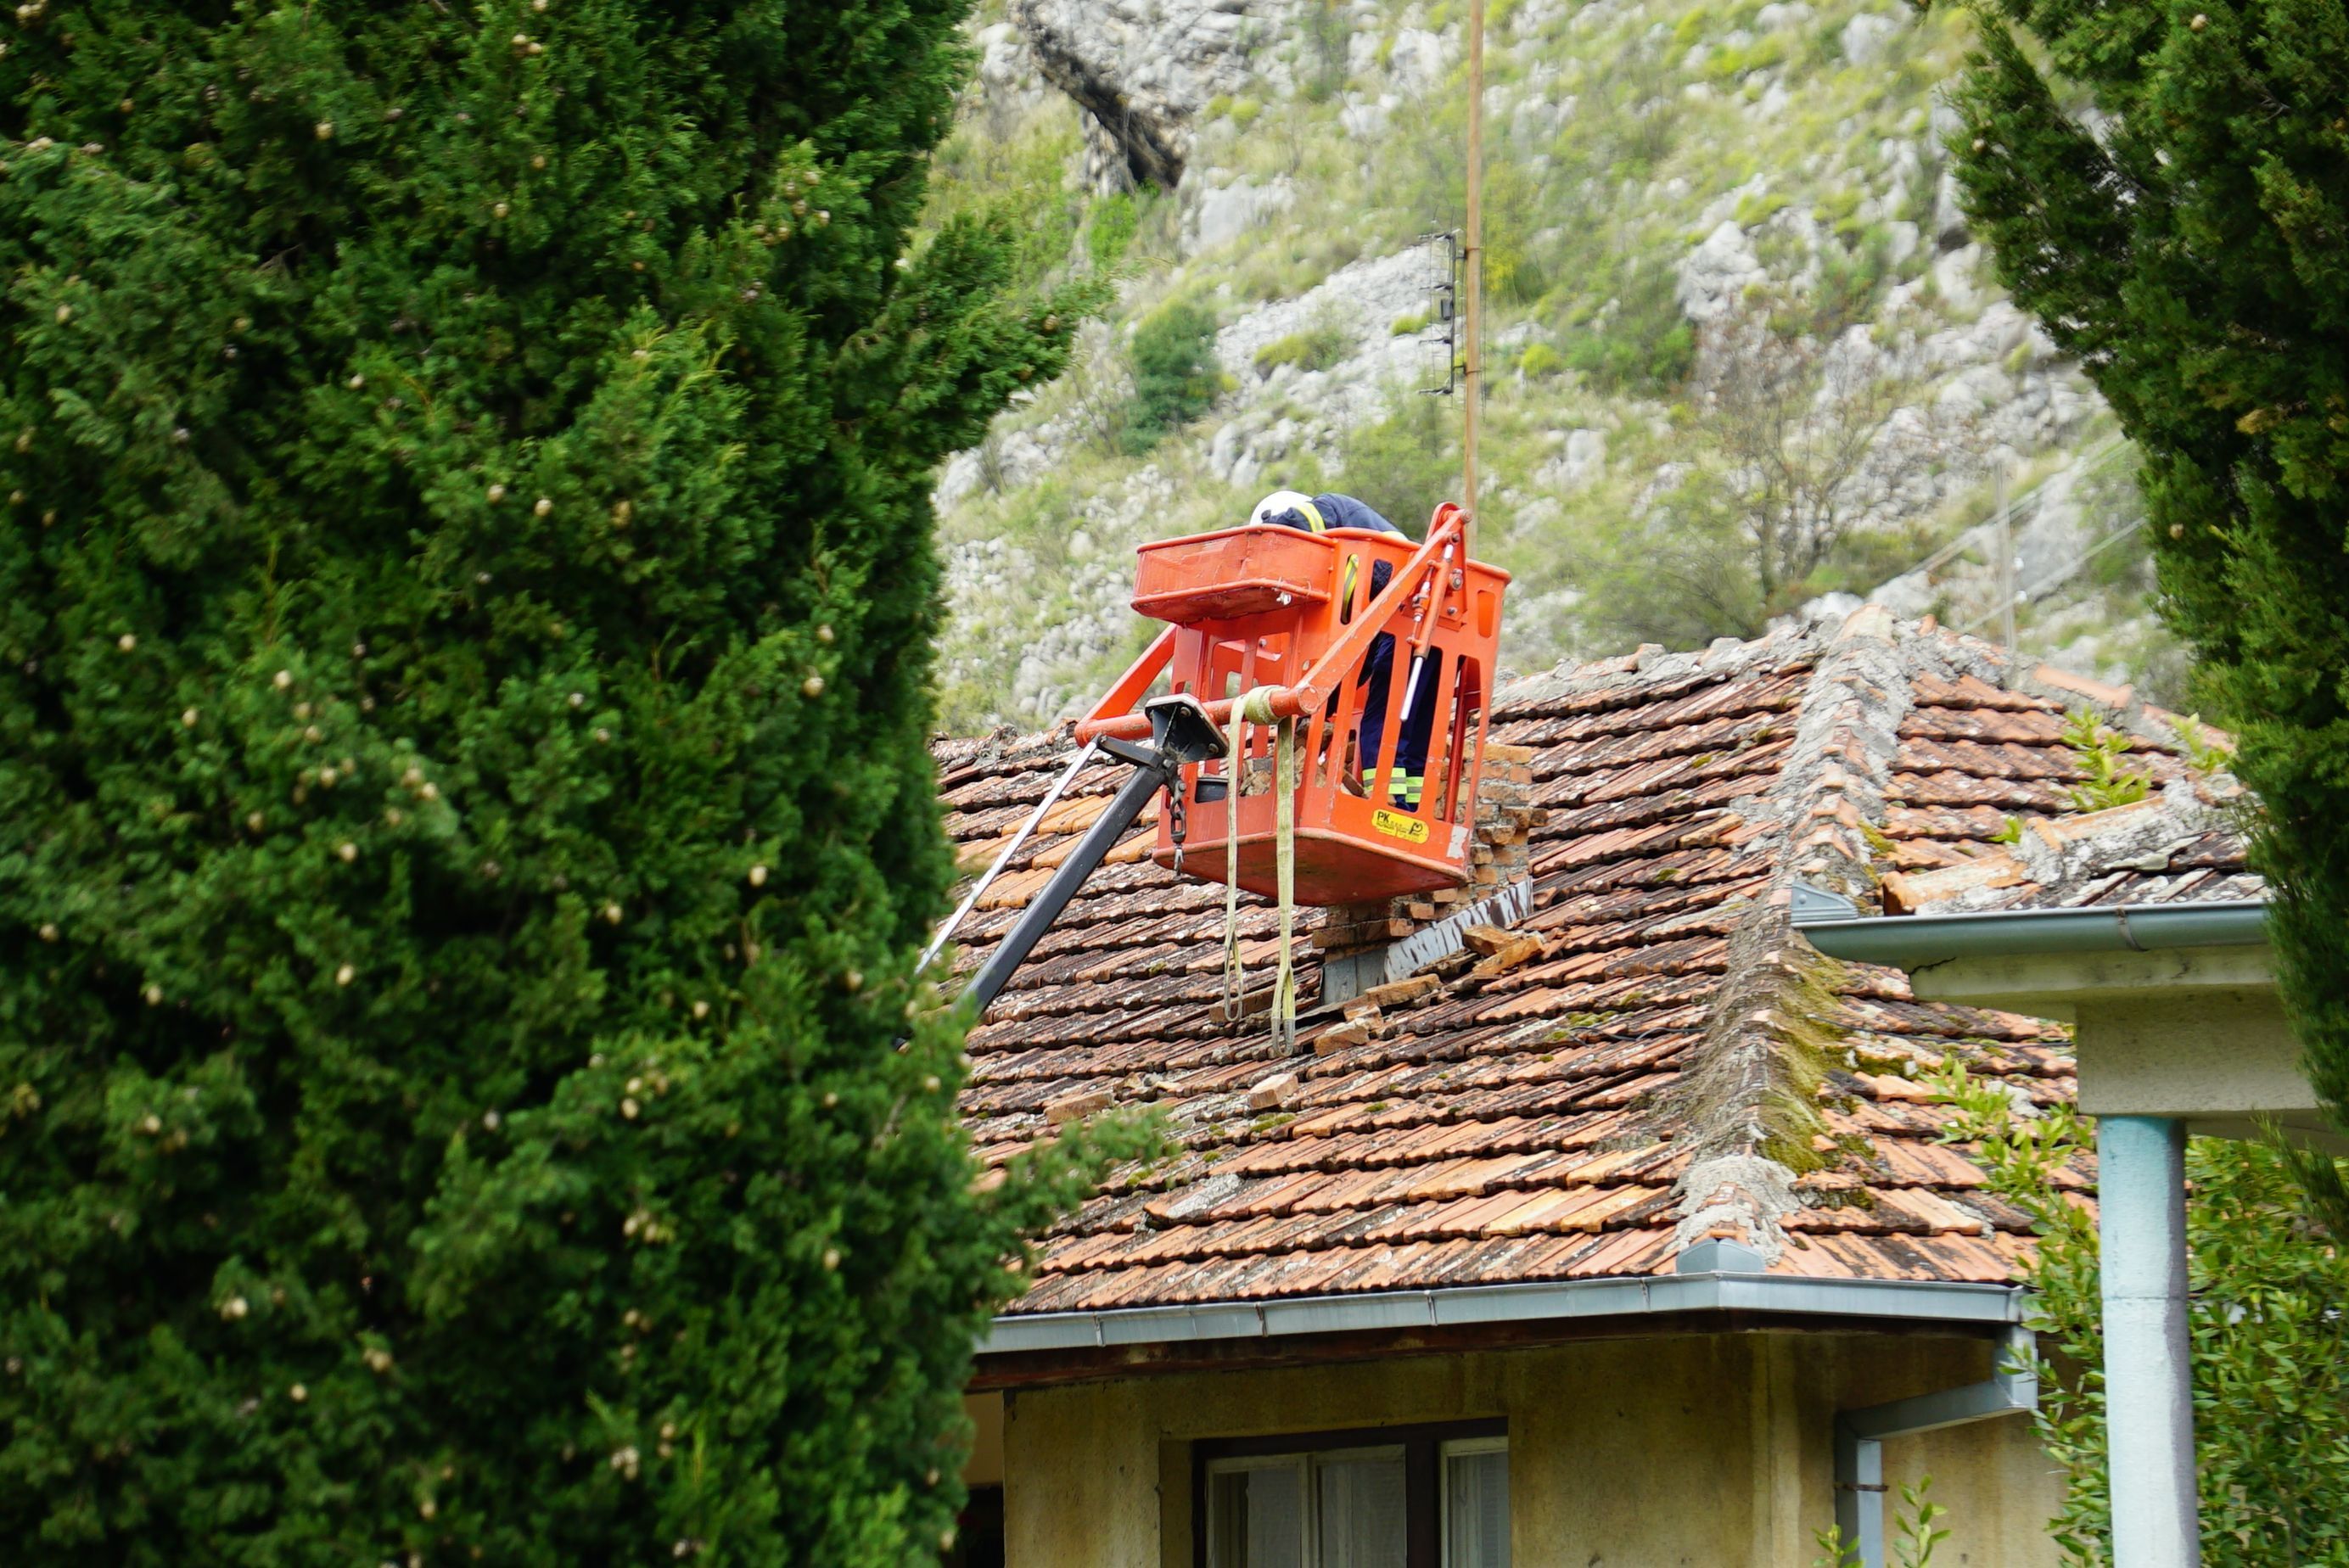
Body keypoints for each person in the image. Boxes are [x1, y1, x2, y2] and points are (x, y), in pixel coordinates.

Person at [1248, 490, 1442, 809]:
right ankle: (1412, 809)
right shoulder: (1358, 572)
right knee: (1412, 730)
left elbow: (1297, 522)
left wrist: (1263, 542)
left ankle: (1386, 808)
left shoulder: (1324, 508)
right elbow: (1359, 662)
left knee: (1378, 724)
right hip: (1425, 626)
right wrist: (1322, 703)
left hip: (1410, 622)